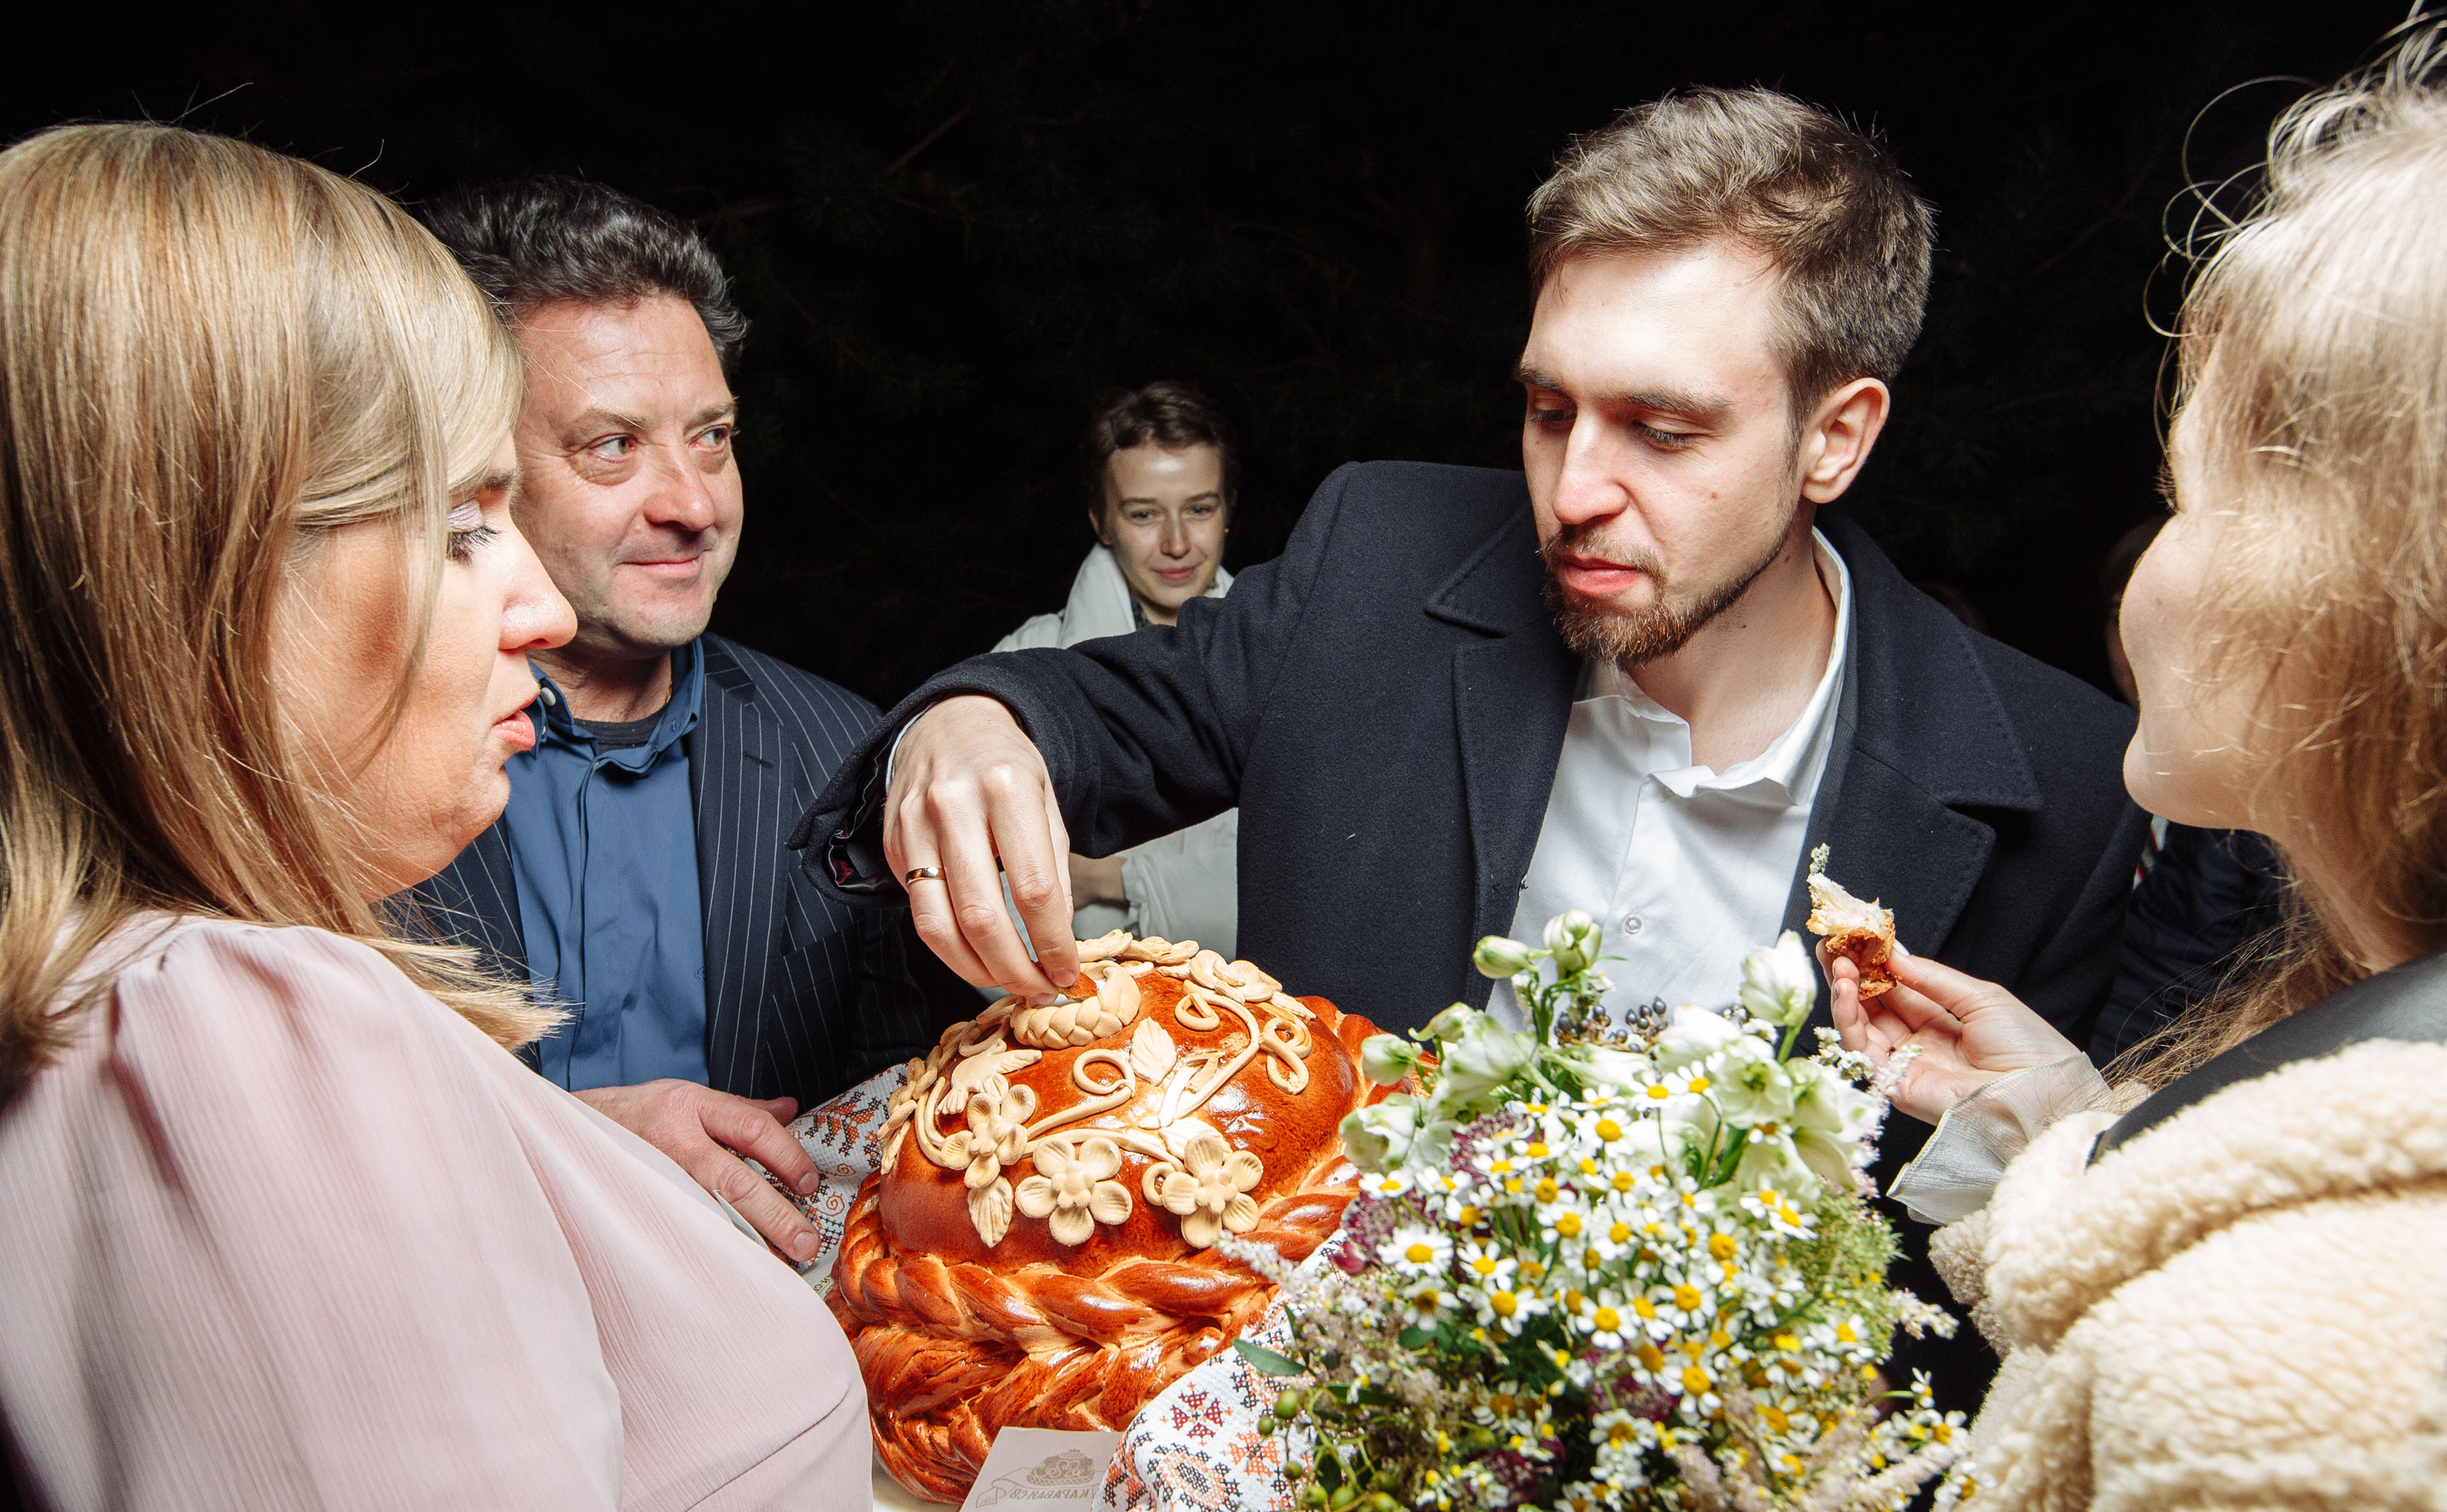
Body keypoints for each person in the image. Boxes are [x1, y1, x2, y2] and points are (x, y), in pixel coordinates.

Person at [797, 87, 2149, 1409]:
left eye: (1663, 431)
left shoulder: (2063, 785)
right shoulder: (1376, 562)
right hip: (1286, 1429)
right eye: (1550, 409)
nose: (1573, 492)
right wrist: (969, 726)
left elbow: (1990, 1319)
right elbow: (1092, 707)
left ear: (1835, 438)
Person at [0, 127, 866, 1512]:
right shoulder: (221, 1044)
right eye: (467, 518)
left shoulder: (60, 1003)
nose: (537, 608)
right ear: (208, 571)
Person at [1835, 36, 2447, 1512]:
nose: (2146, 566)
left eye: (2185, 490)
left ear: (2368, 597)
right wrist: (2065, 1125)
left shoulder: (2299, 1385)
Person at [401, 178, 930, 1263]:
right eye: (612, 446)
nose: (693, 503)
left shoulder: (843, 753)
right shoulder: (348, 768)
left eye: (712, 437)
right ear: (476, 469)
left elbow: (912, 1144)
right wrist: (572, 1151)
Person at [994, 382, 1242, 956]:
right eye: (1144, 514)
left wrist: (1112, 879)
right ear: (1103, 523)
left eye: (1199, 508)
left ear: (1227, 512)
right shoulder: (1023, 666)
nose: (1177, 543)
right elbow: (981, 889)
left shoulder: (1290, 667)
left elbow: (1306, 876)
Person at [2084, 514, 2285, 1062]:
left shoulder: (2268, 795)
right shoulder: (2083, 774)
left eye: (2174, 616)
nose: (2135, 639)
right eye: (2116, 613)